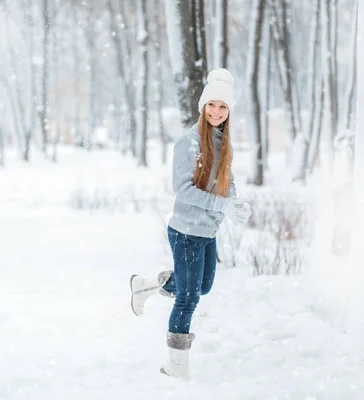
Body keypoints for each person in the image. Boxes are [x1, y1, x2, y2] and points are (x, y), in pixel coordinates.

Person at [129, 68, 251, 380]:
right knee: (188, 298)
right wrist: (221, 203)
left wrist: (234, 202)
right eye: (212, 104)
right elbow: (182, 189)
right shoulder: (188, 142)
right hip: (185, 232)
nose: (216, 111)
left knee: (204, 286)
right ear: (202, 105)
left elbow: (228, 180)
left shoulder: (223, 142)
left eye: (223, 107)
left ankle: (145, 287)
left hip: (207, 231)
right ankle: (176, 366)